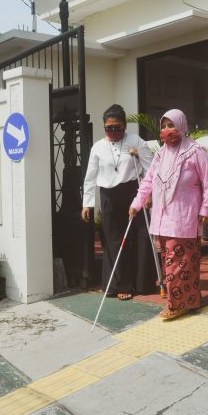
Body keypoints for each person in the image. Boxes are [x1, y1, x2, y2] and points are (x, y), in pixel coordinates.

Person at [129, 109, 208, 320]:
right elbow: (148, 181)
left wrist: (206, 208)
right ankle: (191, 300)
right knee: (172, 261)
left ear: (182, 126)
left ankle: (176, 304)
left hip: (184, 218)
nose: (167, 130)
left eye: (171, 125)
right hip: (162, 219)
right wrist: (137, 203)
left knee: (180, 264)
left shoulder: (196, 152)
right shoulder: (160, 155)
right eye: (164, 126)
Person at [81, 104, 157, 299]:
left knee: (140, 236)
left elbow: (150, 170)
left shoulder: (136, 141)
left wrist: (149, 194)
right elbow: (90, 176)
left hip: (133, 193)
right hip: (109, 196)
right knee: (114, 240)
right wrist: (87, 203)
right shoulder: (98, 147)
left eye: (118, 128)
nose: (113, 132)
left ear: (125, 126)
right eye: (109, 128)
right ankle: (119, 285)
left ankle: (142, 284)